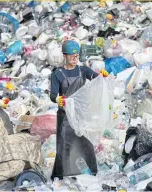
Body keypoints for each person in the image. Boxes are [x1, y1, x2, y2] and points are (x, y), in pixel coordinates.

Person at [50, 40, 109, 179]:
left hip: (81, 114)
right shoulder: (57, 74)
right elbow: (52, 95)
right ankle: (61, 175)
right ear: (64, 55)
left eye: (77, 56)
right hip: (65, 116)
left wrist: (101, 76)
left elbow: (95, 78)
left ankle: (92, 172)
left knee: (86, 143)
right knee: (64, 145)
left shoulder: (83, 70)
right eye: (72, 56)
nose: (75, 58)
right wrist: (57, 99)